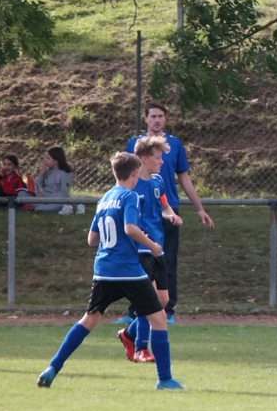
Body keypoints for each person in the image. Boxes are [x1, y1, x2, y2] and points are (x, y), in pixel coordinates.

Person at [37, 151, 182, 390]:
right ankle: (165, 379)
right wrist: (153, 245)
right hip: (128, 269)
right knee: (159, 318)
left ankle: (53, 367)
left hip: (104, 270)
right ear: (134, 173)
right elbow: (130, 228)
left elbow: (92, 239)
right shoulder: (130, 196)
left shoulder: (104, 198)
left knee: (89, 320)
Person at [125, 101, 214, 324]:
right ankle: (135, 312)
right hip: (140, 211)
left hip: (165, 209)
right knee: (137, 262)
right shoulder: (134, 144)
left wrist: (199, 208)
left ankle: (168, 309)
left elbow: (184, 177)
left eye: (160, 116)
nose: (157, 120)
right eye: (153, 116)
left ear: (165, 119)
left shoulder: (174, 144)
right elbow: (125, 177)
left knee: (167, 261)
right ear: (146, 118)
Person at [117, 135, 183, 363]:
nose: (162, 162)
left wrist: (171, 215)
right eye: (158, 158)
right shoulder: (131, 186)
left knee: (162, 301)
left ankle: (129, 334)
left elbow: (164, 206)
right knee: (150, 300)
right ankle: (140, 348)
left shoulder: (157, 181)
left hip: (158, 248)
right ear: (144, 159)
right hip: (141, 249)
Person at [33, 146, 75, 214]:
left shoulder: (65, 173)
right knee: (23, 194)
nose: (45, 160)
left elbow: (64, 192)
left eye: (48, 158)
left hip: (57, 201)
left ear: (56, 160)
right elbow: (37, 185)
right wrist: (41, 174)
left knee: (39, 209)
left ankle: (68, 208)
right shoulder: (48, 171)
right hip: (43, 199)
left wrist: (47, 198)